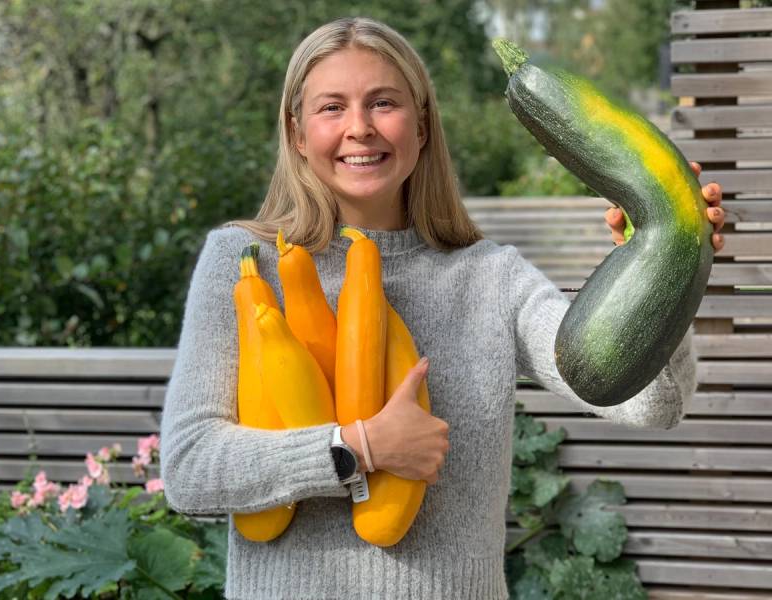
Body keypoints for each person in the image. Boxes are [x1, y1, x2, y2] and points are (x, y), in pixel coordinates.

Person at [160, 16, 725, 599]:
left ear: (422, 126)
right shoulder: (244, 263)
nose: (360, 128)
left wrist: (662, 255)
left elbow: (656, 403)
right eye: (332, 107)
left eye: (384, 103)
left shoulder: (490, 277)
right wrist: (359, 448)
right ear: (297, 131)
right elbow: (191, 471)